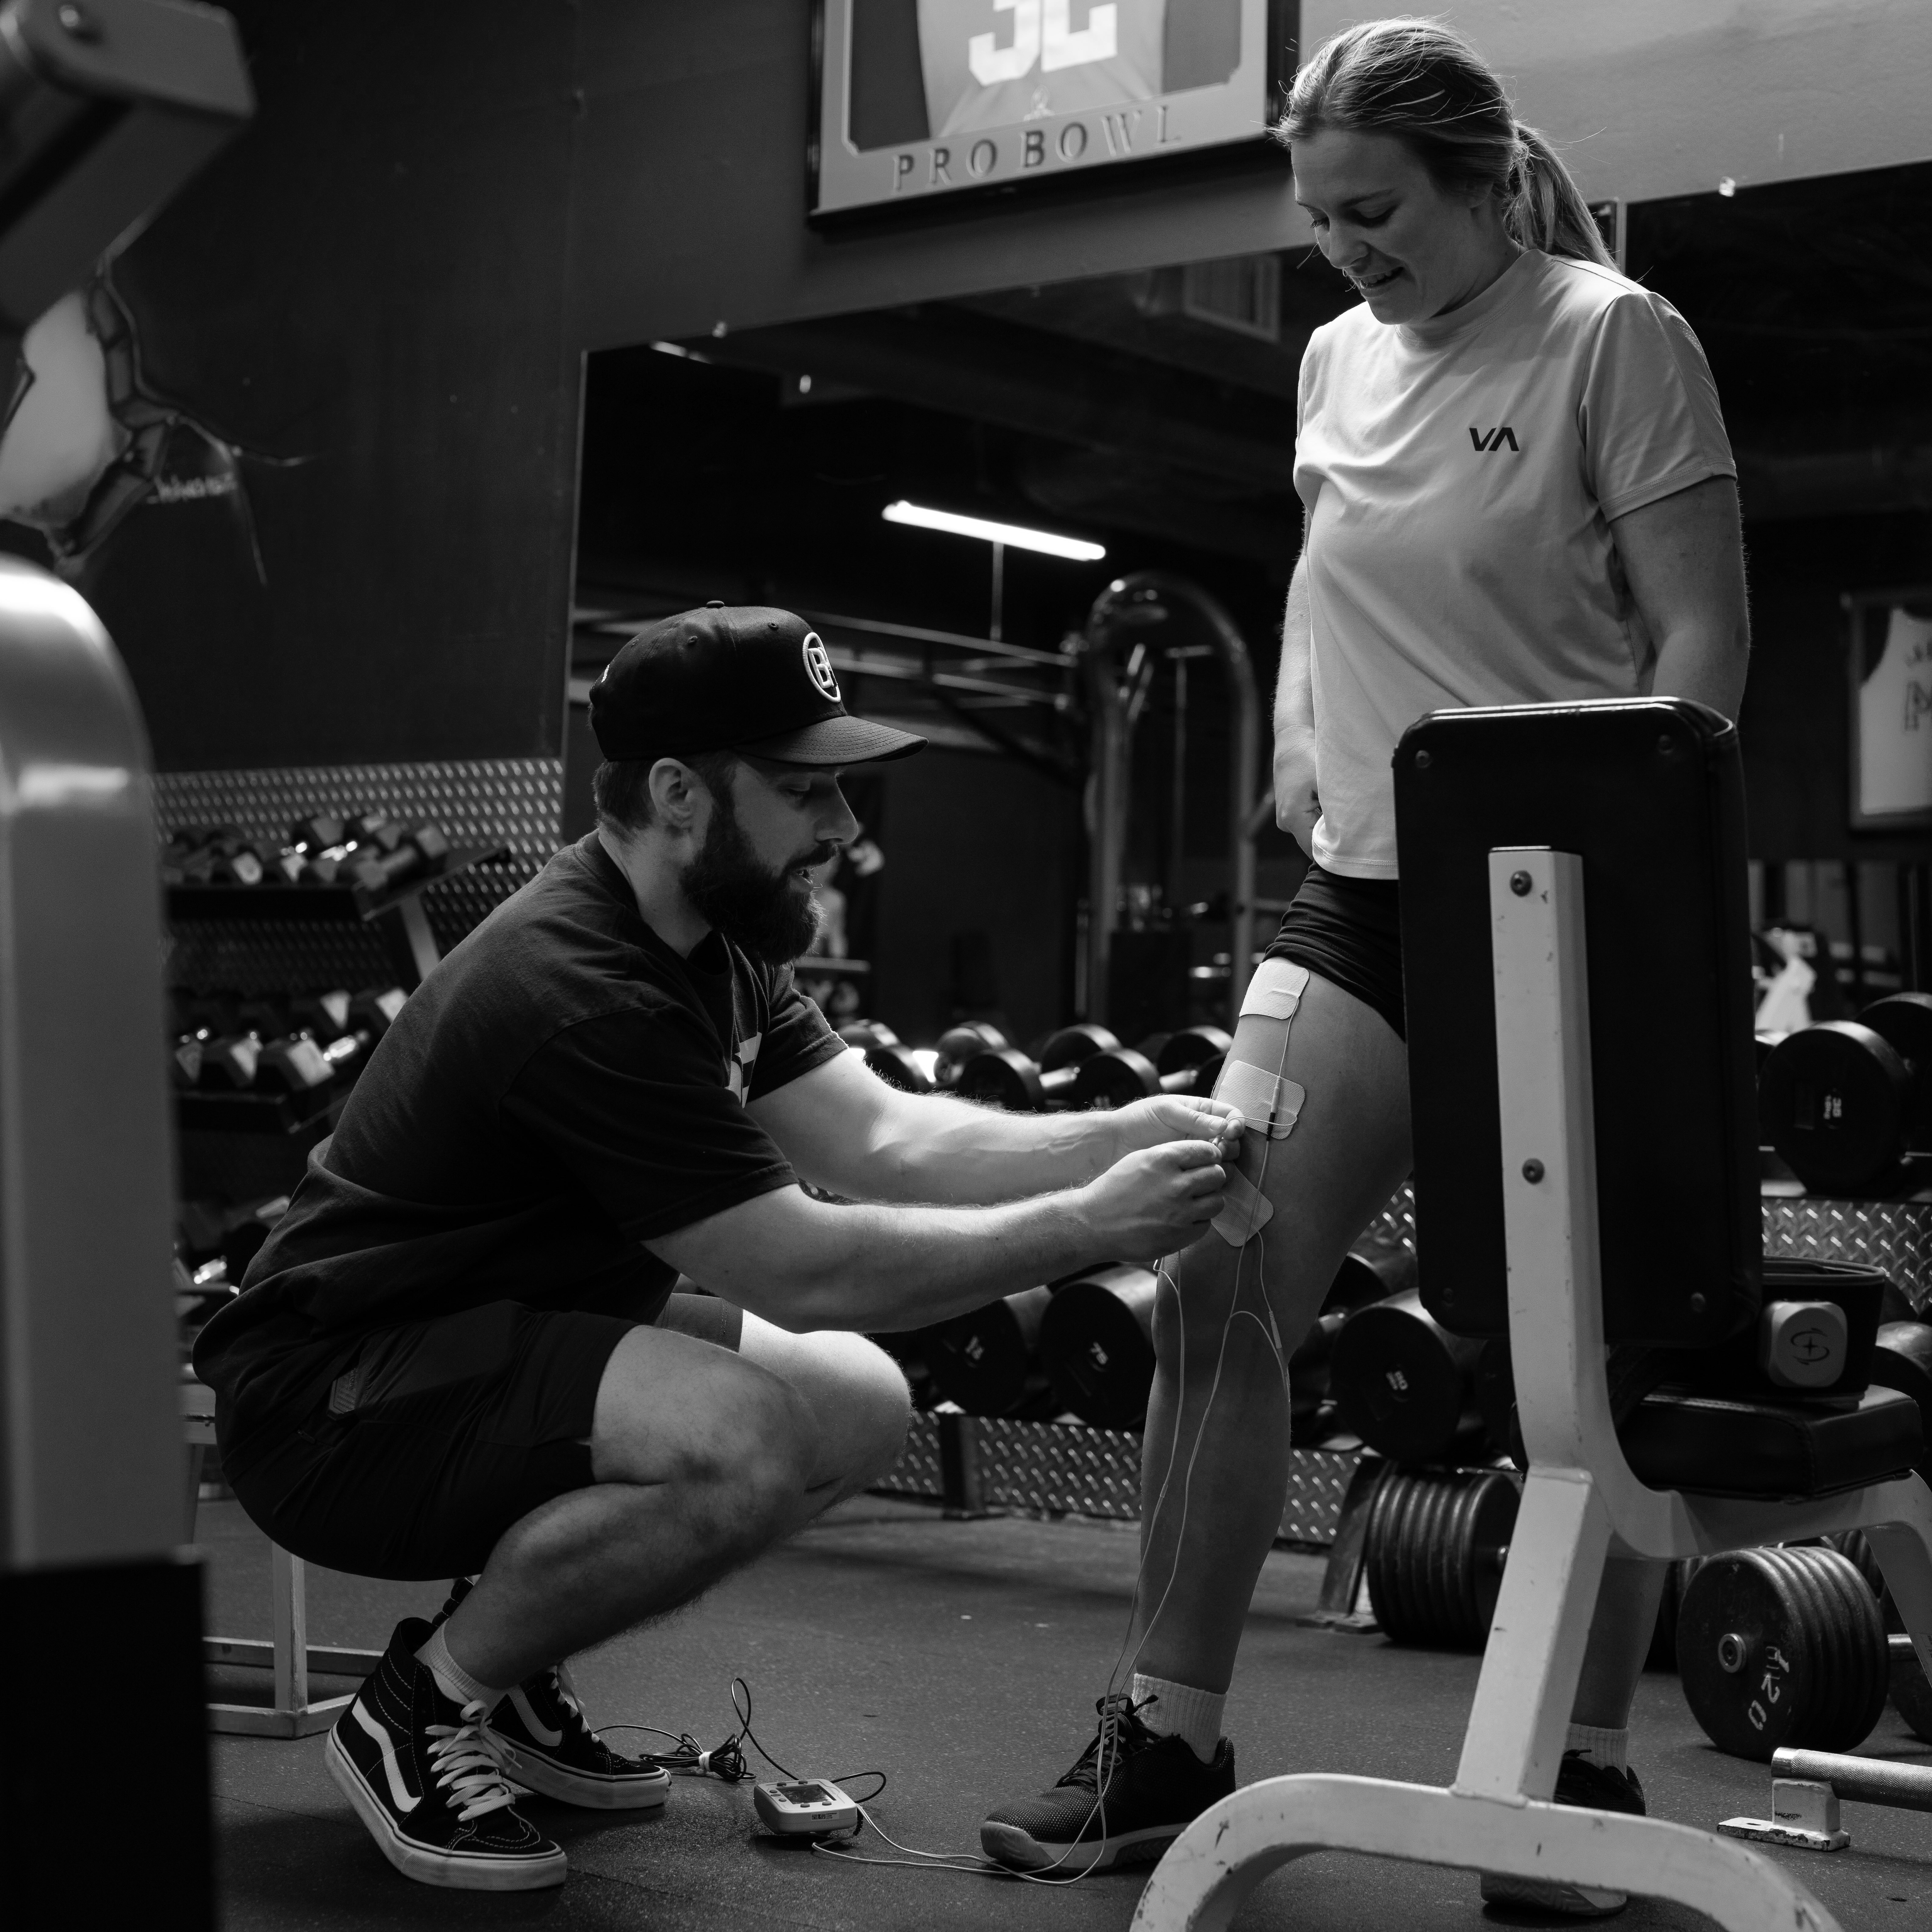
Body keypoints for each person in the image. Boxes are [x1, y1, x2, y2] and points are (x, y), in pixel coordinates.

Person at [981, 20, 1750, 1916]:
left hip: (1574, 895)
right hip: (1367, 897)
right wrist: (1300, 734)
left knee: (1578, 1366)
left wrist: (1643, 889)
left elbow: (1705, 642)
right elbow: (1336, 584)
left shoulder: (1614, 337)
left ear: (1484, 182)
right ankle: (1165, 1733)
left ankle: (1572, 1776)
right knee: (1212, 1273)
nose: (1349, 251)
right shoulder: (1335, 357)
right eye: (1322, 219)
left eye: (1379, 212)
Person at [193, 601, 1241, 1894]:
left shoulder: (716, 941)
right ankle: (425, 1704)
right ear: (681, 794)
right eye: (809, 793)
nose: (846, 833)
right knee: (742, 1438)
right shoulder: (585, 989)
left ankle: (511, 1673)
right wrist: (1091, 1226)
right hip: (337, 1399)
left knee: (854, 1400)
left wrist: (1115, 1132)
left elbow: (882, 1140)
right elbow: (805, 1267)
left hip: (489, 1339)